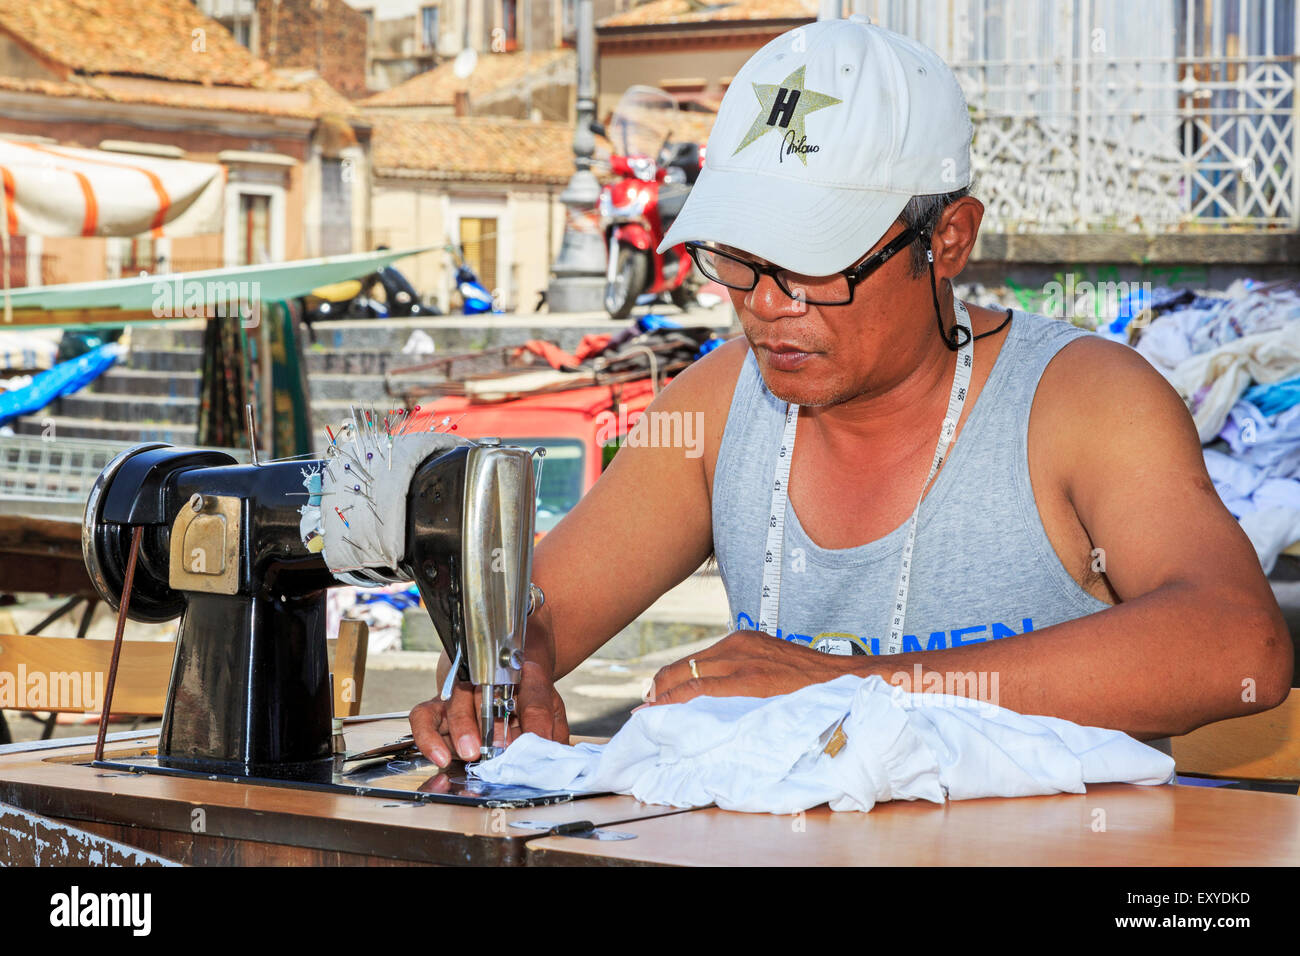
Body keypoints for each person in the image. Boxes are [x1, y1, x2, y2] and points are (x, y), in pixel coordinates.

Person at [410, 16, 1292, 766]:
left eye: (809, 269)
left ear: (947, 240)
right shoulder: (717, 410)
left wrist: (850, 687)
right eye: (740, 262)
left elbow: (1237, 642)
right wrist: (501, 670)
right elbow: (539, 613)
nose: (762, 306)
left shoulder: (1083, 403)